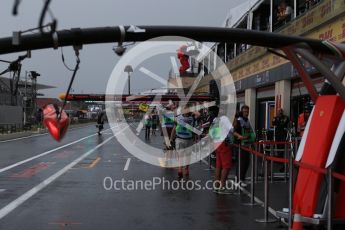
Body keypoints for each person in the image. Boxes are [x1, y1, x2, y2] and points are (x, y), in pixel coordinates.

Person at [209, 106, 234, 194]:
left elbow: (211, 133)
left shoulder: (215, 119)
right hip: (224, 144)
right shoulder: (224, 118)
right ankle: (222, 187)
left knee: (218, 166)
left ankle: (216, 186)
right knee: (226, 166)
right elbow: (232, 129)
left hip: (217, 143)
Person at [170, 103, 196, 179]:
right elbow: (174, 129)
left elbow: (198, 114)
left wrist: (192, 111)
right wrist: (171, 139)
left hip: (189, 139)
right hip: (179, 139)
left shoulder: (192, 118)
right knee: (180, 155)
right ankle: (180, 169)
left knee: (188, 156)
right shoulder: (178, 118)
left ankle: (186, 168)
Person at [233, 105, 256, 187]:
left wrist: (252, 141)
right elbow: (234, 131)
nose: (246, 113)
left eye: (247, 111)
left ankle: (241, 178)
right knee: (241, 163)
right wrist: (240, 136)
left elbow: (249, 131)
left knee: (246, 163)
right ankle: (239, 180)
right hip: (240, 145)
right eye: (245, 111)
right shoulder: (239, 120)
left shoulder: (247, 120)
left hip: (246, 144)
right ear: (242, 112)